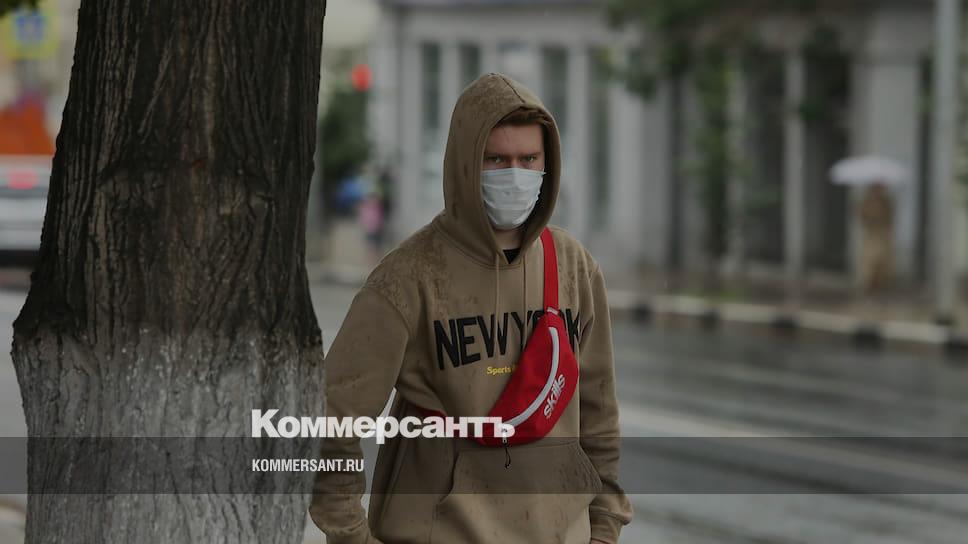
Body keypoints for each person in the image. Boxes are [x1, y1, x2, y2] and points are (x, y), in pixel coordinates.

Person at [310, 73, 632, 543]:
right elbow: (331, 423)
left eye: (529, 160)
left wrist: (603, 530)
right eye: (496, 160)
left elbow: (599, 419)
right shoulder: (408, 278)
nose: (515, 175)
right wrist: (351, 535)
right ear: (465, 164)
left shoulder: (573, 268)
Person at [858, 182, 894, 293]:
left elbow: (889, 219)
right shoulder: (867, 202)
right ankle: (869, 286)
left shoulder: (886, 202)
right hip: (871, 235)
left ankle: (880, 286)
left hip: (882, 235)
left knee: (882, 263)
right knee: (870, 262)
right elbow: (862, 217)